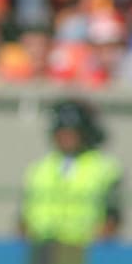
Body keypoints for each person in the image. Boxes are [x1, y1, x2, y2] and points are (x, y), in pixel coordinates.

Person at [19, 98, 123, 245]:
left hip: (84, 248)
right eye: (62, 132)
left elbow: (112, 217)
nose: (66, 137)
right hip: (42, 247)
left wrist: (97, 245)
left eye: (72, 132)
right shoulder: (39, 168)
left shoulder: (104, 168)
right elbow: (24, 217)